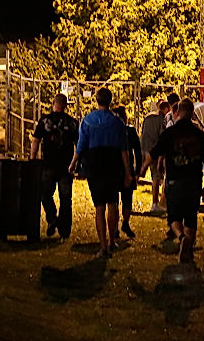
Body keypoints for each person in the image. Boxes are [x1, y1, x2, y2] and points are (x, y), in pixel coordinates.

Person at [68, 87, 133, 258]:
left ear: (96, 100)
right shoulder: (118, 122)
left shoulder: (87, 121)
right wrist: (128, 172)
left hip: (94, 164)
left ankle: (103, 246)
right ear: (110, 101)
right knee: (113, 203)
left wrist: (73, 164)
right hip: (112, 163)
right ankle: (112, 240)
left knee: (99, 206)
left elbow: (81, 146)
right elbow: (124, 150)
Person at [151, 98, 204, 262]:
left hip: (174, 181)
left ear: (177, 111)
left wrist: (143, 169)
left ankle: (181, 237)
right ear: (192, 112)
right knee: (191, 217)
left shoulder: (170, 133)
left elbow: (156, 151)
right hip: (194, 182)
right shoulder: (200, 135)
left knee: (174, 217)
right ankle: (188, 251)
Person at [30, 93, 79, 241]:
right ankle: (64, 230)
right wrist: (76, 163)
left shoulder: (45, 120)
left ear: (53, 104)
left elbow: (36, 140)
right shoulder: (72, 123)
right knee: (65, 198)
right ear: (65, 106)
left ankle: (52, 218)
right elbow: (78, 144)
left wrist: (33, 157)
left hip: (48, 164)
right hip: (66, 166)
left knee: (45, 193)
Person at [114, 106, 142, 239]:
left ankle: (118, 225)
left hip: (116, 168)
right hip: (127, 168)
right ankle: (124, 223)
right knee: (126, 199)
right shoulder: (130, 131)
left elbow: (138, 151)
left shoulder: (113, 132)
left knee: (114, 200)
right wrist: (137, 171)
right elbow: (137, 152)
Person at [139, 99, 169, 213]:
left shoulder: (148, 116)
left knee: (141, 172)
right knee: (156, 177)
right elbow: (162, 137)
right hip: (154, 150)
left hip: (144, 147)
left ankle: (128, 198)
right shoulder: (162, 119)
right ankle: (155, 203)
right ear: (166, 109)